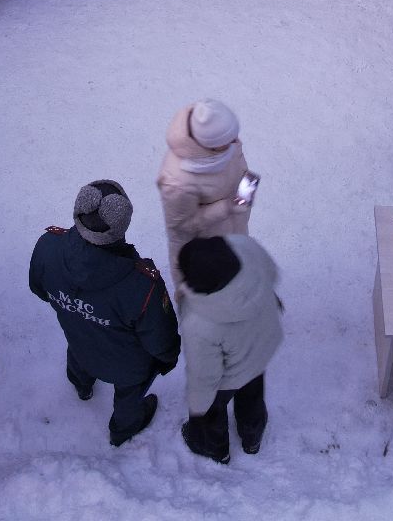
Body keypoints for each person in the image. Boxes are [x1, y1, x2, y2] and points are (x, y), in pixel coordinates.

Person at [28, 180, 180, 447]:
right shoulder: (142, 284)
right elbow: (161, 340)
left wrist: (76, 310)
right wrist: (168, 359)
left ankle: (81, 386)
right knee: (130, 395)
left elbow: (39, 288)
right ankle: (124, 427)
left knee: (80, 355)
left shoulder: (48, 245)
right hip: (128, 366)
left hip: (79, 341)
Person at [176, 235, 283, 463]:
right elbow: (273, 273)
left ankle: (216, 449)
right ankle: (252, 438)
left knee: (212, 410)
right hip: (262, 345)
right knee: (252, 393)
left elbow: (205, 376)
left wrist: (198, 407)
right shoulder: (245, 247)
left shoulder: (199, 321)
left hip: (230, 373)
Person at [156, 99, 252, 291]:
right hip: (209, 255)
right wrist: (225, 207)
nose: (236, 141)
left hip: (235, 234)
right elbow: (180, 229)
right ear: (212, 146)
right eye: (229, 140)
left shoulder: (227, 143)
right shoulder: (178, 183)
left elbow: (237, 166)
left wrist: (246, 185)